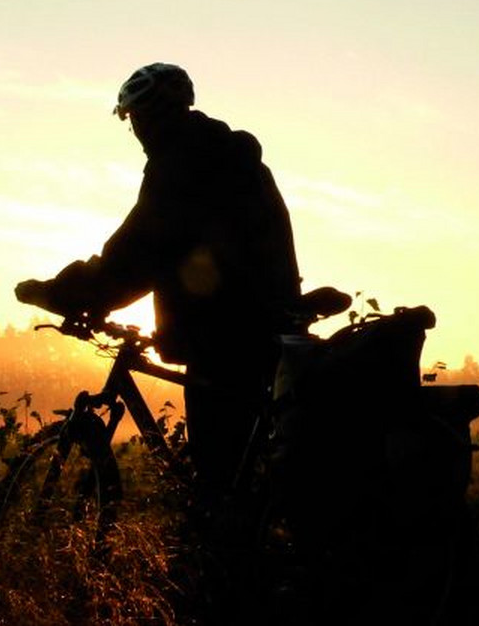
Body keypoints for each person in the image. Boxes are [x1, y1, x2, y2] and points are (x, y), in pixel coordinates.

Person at [15, 62, 301, 499]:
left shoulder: (183, 165)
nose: (136, 131)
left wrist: (64, 293)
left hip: (226, 333)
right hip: (264, 320)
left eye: (136, 119)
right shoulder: (231, 159)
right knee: (243, 461)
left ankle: (222, 560)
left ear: (155, 117)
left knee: (217, 479)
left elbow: (138, 253)